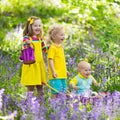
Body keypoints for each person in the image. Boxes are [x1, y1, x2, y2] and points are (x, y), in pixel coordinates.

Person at [20, 16, 48, 100]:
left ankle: (41, 104)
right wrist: (28, 44)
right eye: (35, 25)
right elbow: (24, 47)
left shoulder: (40, 39)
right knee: (31, 86)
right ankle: (29, 104)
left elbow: (44, 50)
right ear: (30, 26)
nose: (38, 27)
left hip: (39, 66)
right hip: (31, 65)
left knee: (40, 86)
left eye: (39, 25)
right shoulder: (27, 38)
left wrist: (50, 48)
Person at [47, 24, 69, 98]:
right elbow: (50, 60)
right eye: (61, 35)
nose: (63, 37)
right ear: (54, 36)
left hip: (62, 74)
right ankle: (53, 106)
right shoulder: (52, 48)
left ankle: (60, 106)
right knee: (55, 91)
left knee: (63, 91)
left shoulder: (61, 47)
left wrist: (65, 70)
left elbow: (61, 61)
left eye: (64, 35)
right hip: (55, 75)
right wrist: (53, 71)